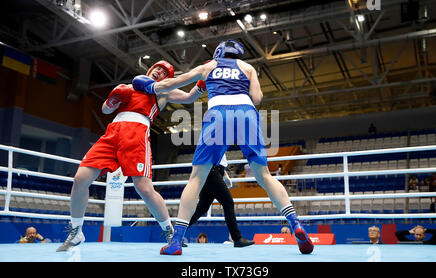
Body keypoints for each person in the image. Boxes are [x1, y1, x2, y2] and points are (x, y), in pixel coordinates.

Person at [133, 39, 314, 255]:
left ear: (219, 52)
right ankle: (295, 224)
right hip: (247, 113)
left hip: (218, 113)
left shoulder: (208, 66)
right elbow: (257, 98)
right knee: (264, 175)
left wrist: (148, 85)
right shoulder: (248, 67)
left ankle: (176, 241)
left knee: (196, 178)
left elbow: (174, 83)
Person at [56, 61, 206, 252]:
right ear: (150, 70)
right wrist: (113, 100)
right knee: (80, 179)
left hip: (137, 133)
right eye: (157, 68)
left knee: (144, 188)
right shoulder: (128, 88)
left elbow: (189, 97)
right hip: (112, 133)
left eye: (164, 72)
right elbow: (105, 110)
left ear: (165, 78)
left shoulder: (162, 91)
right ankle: (76, 230)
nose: (159, 72)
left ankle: (170, 232)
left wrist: (203, 78)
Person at [185, 154, 254, 248]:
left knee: (202, 208)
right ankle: (237, 238)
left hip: (212, 172)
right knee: (228, 203)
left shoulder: (218, 142)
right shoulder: (215, 140)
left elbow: (218, 157)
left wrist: (224, 175)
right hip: (212, 172)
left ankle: (177, 235)